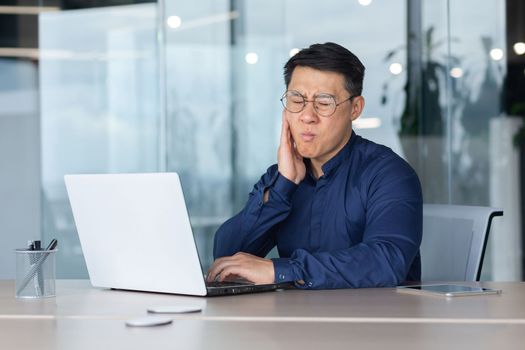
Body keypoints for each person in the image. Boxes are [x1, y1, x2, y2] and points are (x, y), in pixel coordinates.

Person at [207, 42, 422, 289]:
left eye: (324, 102)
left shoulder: (389, 175)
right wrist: (282, 188)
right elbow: (226, 257)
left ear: (355, 108)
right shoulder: (281, 176)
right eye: (296, 100)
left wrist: (281, 270)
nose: (307, 116)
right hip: (294, 321)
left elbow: (386, 261)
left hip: (372, 322)